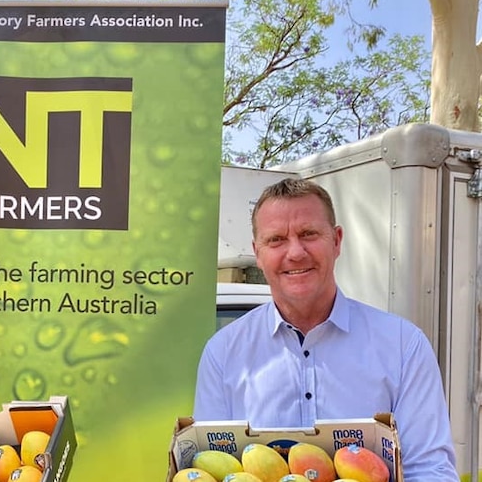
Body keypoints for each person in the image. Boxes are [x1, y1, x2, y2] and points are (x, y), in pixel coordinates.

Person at [194, 178, 458, 480]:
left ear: (337, 240)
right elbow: (209, 468)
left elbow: (430, 470)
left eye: (308, 234)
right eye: (276, 239)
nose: (295, 252)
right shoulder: (223, 352)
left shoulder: (402, 345)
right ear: (258, 253)